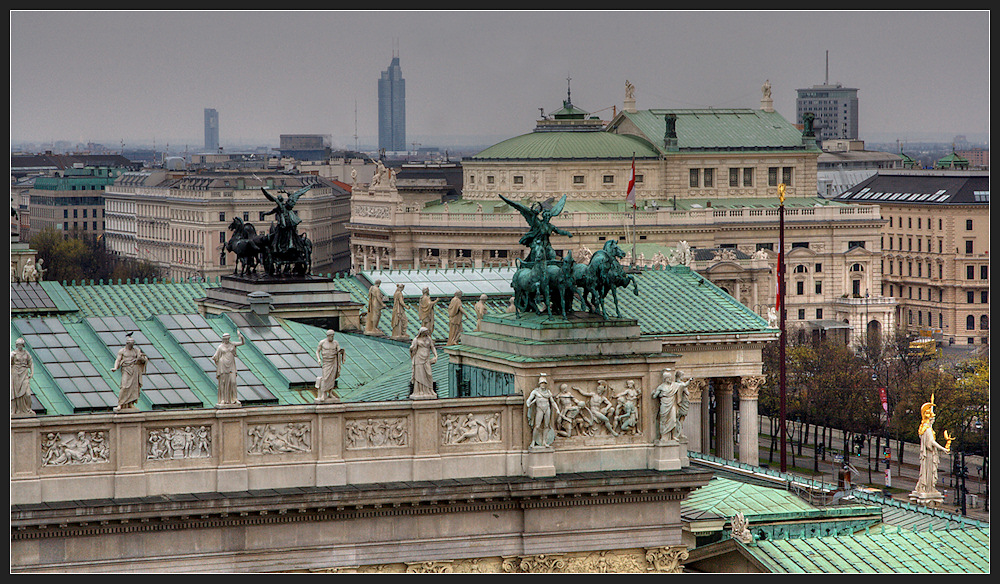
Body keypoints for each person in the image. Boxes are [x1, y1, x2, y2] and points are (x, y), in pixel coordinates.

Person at [912, 396, 953, 501]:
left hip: (927, 456)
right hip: (929, 455)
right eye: (933, 419)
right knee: (930, 472)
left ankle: (926, 487)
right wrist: (943, 449)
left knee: (926, 472)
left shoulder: (923, 428)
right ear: (930, 419)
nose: (934, 421)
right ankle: (929, 488)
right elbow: (931, 442)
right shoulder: (928, 430)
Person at [111, 334, 147, 411]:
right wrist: (115, 367)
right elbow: (118, 360)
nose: (131, 346)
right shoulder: (122, 351)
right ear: (127, 344)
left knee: (134, 387)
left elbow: (142, 359)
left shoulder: (136, 350)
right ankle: (120, 404)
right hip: (126, 369)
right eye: (130, 344)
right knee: (124, 386)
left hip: (134, 369)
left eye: (133, 344)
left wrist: (142, 358)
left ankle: (130, 403)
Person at [526, 374, 559, 448]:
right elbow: (528, 400)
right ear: (539, 384)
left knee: (546, 425)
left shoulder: (548, 392)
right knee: (537, 426)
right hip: (539, 409)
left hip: (547, 409)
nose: (543, 385)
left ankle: (544, 441)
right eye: (542, 383)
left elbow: (552, 402)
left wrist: (557, 409)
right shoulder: (535, 392)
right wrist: (528, 403)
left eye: (544, 383)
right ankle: (533, 441)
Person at [212, 331, 245, 406]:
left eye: (228, 339)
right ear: (223, 339)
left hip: (231, 365)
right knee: (223, 383)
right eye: (225, 339)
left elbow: (242, 343)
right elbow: (215, 356)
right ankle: (223, 399)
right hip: (223, 365)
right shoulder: (220, 347)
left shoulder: (232, 344)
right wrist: (217, 362)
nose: (227, 340)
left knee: (233, 382)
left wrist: (241, 337)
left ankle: (234, 399)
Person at [315, 330, 345, 402]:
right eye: (331, 336)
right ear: (328, 336)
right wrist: (319, 359)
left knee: (332, 377)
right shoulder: (322, 342)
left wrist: (342, 352)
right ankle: (323, 394)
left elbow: (338, 350)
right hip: (326, 362)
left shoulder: (335, 343)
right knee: (325, 378)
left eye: (333, 336)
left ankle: (330, 393)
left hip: (333, 361)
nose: (332, 337)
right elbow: (317, 351)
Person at [409, 327, 438, 399]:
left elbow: (432, 347)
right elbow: (412, 349)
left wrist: (436, 356)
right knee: (420, 374)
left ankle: (429, 390)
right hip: (419, 359)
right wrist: (411, 348)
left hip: (426, 358)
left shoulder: (429, 339)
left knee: (429, 374)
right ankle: (419, 391)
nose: (427, 333)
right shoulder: (416, 340)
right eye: (425, 332)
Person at [652, 368, 680, 442]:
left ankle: (673, 436)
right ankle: (663, 436)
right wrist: (655, 393)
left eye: (670, 378)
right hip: (664, 405)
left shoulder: (674, 385)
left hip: (672, 404)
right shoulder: (661, 387)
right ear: (665, 379)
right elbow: (654, 396)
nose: (670, 379)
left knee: (673, 420)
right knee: (663, 421)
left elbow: (683, 385)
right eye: (668, 378)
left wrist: (689, 381)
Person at [10, 338, 34, 416]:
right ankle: (15, 410)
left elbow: (30, 362)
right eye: (18, 345)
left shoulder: (26, 353)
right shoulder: (13, 353)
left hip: (24, 373)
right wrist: (11, 357)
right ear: (16, 345)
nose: (20, 346)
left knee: (28, 394)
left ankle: (28, 409)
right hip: (15, 374)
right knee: (15, 392)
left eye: (21, 345)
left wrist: (32, 372)